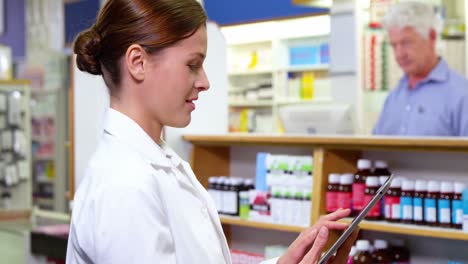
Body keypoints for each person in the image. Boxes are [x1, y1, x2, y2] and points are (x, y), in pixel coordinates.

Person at [66, 0, 358, 263]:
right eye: (193, 65)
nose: (204, 82)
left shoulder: (159, 164)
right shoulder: (124, 186)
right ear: (138, 63)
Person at [373, 1, 468, 137]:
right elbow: (375, 150)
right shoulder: (394, 97)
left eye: (406, 43)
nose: (399, 54)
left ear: (432, 37)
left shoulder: (461, 95)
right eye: (394, 45)